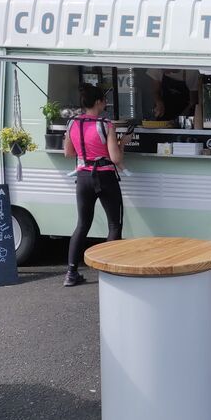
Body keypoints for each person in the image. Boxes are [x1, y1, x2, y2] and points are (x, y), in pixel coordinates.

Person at [63, 84, 128, 287]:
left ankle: (71, 273)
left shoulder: (72, 123)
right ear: (98, 102)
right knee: (114, 225)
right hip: (105, 177)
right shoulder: (106, 124)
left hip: (83, 177)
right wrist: (123, 142)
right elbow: (115, 158)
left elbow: (69, 153)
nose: (106, 103)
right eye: (104, 100)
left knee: (82, 224)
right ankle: (109, 272)